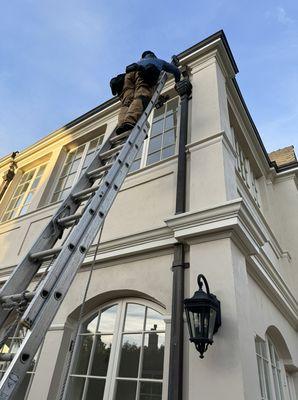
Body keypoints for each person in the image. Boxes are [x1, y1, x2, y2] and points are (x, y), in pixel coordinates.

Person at [110, 51, 181, 135]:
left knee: (126, 103)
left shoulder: (138, 62)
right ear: (153, 55)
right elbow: (176, 71)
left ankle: (121, 125)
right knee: (141, 97)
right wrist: (177, 82)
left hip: (128, 77)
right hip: (142, 74)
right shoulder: (159, 61)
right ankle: (129, 121)